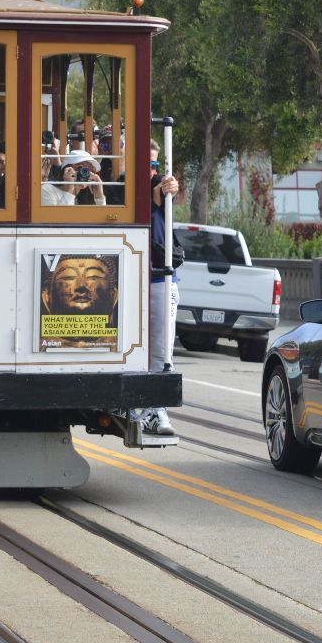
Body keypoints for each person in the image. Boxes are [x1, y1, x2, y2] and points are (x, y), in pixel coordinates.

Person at [142, 139, 180, 436]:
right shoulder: (121, 185)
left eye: (155, 164)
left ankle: (156, 410)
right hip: (127, 279)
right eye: (145, 163)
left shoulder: (161, 191)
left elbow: (163, 193)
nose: (152, 170)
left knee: (162, 349)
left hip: (160, 280)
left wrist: (167, 192)